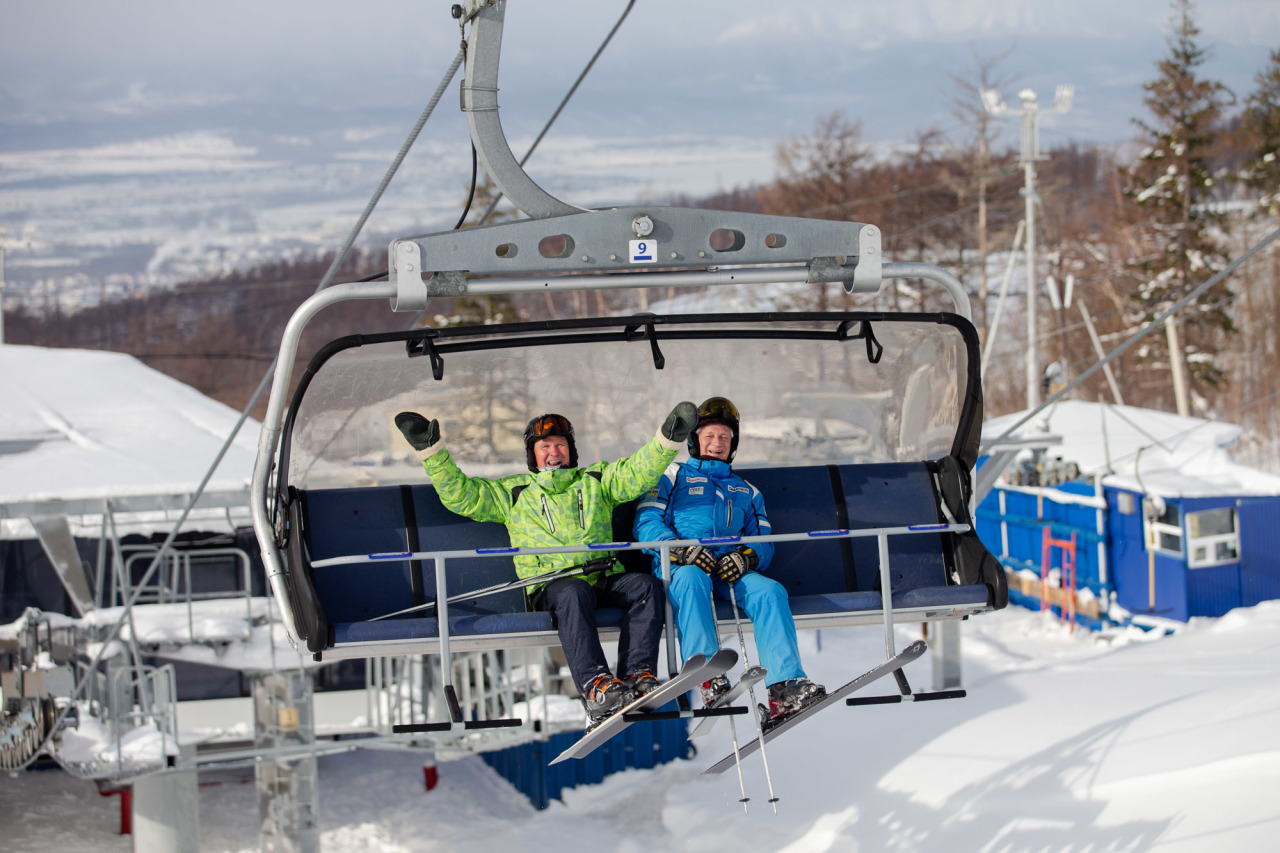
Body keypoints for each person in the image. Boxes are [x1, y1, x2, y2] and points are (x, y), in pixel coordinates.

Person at [395, 403, 698, 730]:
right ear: (533, 455)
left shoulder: (596, 481)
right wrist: (432, 451)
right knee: (575, 592)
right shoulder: (513, 493)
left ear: (571, 451)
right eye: (545, 447)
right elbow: (462, 496)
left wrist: (668, 439)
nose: (554, 452)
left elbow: (637, 472)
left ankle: (637, 674)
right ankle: (596, 686)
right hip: (554, 587)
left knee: (646, 587)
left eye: (560, 445)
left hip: (601, 578)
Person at [633, 396, 826, 722]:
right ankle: (707, 674)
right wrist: (680, 549)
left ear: (733, 443)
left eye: (724, 437)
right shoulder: (671, 475)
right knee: (693, 580)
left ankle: (784, 688)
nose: (717, 442)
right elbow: (646, 524)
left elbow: (762, 540)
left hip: (728, 571)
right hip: (682, 568)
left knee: (770, 591)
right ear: (695, 439)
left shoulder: (746, 490)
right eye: (709, 435)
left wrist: (746, 558)